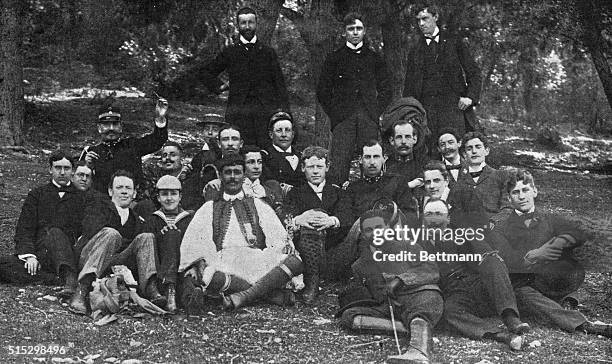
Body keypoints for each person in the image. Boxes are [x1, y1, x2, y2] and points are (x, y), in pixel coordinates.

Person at [488, 169, 612, 338]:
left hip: (552, 278)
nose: (522, 196)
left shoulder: (549, 218)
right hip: (524, 284)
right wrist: (536, 254)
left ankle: (567, 298)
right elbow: (509, 259)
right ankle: (582, 323)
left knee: (570, 267)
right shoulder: (501, 226)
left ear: (535, 191)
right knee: (523, 296)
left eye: (525, 190)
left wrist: (557, 243)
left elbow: (579, 234)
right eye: (516, 193)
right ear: (509, 198)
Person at [178, 155, 303, 311]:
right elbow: (196, 240)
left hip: (255, 258)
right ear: (220, 176)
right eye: (227, 172)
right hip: (225, 260)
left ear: (243, 175)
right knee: (209, 276)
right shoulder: (209, 207)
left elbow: (276, 235)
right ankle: (269, 293)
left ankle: (243, 296)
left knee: (294, 261)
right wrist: (202, 261)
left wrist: (279, 249)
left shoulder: (257, 204)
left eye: (237, 172)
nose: (232, 177)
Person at [421, 198, 528, 350]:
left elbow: (482, 248)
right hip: (454, 292)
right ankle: (500, 335)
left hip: (477, 283)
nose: (434, 219)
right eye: (429, 214)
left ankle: (511, 318)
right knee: (450, 311)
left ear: (448, 218)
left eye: (439, 214)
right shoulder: (418, 243)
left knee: (492, 260)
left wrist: (486, 256)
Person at [340, 209, 442, 364]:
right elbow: (357, 294)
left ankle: (418, 352)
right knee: (349, 316)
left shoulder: (408, 246)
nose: (375, 233)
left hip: (417, 296)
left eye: (379, 228)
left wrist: (400, 280)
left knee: (426, 303)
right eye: (369, 230)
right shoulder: (360, 265)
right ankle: (410, 328)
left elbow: (431, 270)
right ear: (362, 234)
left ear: (388, 228)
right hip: (389, 307)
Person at [181, 7, 289, 146]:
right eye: (243, 23)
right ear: (238, 25)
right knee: (238, 154)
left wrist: (285, 114)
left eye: (251, 22)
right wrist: (220, 86)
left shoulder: (268, 52)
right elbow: (205, 72)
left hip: (265, 114)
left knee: (265, 155)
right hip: (238, 114)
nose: (247, 26)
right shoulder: (230, 52)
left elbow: (280, 85)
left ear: (256, 24)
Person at [69, 170, 165, 315]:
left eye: (128, 189)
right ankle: (81, 290)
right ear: (110, 191)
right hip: (91, 258)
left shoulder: (136, 218)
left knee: (147, 236)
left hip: (116, 264)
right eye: (119, 188)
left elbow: (140, 248)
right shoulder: (98, 207)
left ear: (134, 194)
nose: (124, 192)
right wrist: (115, 215)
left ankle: (151, 289)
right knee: (112, 234)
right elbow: (89, 231)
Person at [317, 12, 392, 185]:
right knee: (339, 164)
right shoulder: (334, 58)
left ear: (365, 31)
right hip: (343, 120)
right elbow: (323, 91)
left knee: (371, 162)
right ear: (344, 32)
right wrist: (336, 114)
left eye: (359, 28)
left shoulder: (374, 58)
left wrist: (375, 111)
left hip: (368, 118)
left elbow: (386, 89)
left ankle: (372, 201)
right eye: (351, 29)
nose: (355, 32)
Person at [0, 151, 85, 299]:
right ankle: (52, 278)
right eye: (58, 168)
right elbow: (24, 228)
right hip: (41, 254)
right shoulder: (37, 194)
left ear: (72, 171)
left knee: (55, 232)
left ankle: (67, 276)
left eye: (67, 168)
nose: (62, 172)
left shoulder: (82, 196)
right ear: (50, 169)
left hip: (69, 254)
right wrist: (30, 257)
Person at [403, 4, 482, 153]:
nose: (421, 24)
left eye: (425, 18)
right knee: (430, 154)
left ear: (436, 17)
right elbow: (409, 85)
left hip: (453, 108)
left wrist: (470, 98)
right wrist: (410, 112)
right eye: (418, 20)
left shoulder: (454, 42)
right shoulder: (415, 49)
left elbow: (474, 73)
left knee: (454, 151)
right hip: (426, 111)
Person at [284, 146, 353, 303]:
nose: (315, 171)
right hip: (304, 254)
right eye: (310, 167)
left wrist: (332, 221)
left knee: (319, 219)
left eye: (319, 167)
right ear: (303, 168)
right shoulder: (295, 193)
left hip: (332, 252)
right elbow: (285, 216)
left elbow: (347, 216)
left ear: (327, 167)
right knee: (311, 223)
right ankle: (312, 282)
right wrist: (298, 219)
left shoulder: (338, 192)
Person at [79, 99, 169, 194]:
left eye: (115, 124)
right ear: (99, 128)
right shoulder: (91, 152)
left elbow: (157, 140)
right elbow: (80, 182)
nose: (111, 128)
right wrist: (87, 166)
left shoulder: (133, 146)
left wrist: (160, 118)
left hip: (131, 202)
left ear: (121, 126)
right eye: (106, 124)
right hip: (103, 204)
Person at [143, 175, 193, 313]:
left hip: (182, 268)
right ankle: (169, 291)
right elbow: (146, 248)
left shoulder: (189, 219)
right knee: (170, 234)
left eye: (173, 194)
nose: (169, 198)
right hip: (160, 272)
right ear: (158, 197)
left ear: (180, 196)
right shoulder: (153, 220)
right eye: (164, 194)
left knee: (189, 285)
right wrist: (163, 236)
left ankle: (187, 298)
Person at [450, 132, 511, 228]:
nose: (474, 151)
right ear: (465, 154)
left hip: (492, 230)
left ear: (486, 151)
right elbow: (454, 209)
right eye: (469, 149)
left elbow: (508, 208)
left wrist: (493, 221)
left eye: (478, 147)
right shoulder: (458, 178)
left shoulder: (500, 176)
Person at [347, 140, 418, 220]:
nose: (372, 162)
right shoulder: (353, 188)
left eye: (376, 156)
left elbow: (410, 216)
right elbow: (348, 220)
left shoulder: (398, 182)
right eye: (367, 157)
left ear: (384, 159)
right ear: (360, 160)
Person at [204, 145, 284, 213]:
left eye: (259, 162)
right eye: (251, 162)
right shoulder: (227, 188)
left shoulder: (270, 188)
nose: (256, 167)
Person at [182, 124, 243, 210]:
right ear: (218, 143)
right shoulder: (206, 162)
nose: (230, 144)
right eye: (225, 139)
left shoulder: (250, 162)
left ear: (241, 144)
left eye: (234, 139)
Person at [261, 111, 304, 193]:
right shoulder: (264, 157)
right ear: (271, 134)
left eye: (287, 130)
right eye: (279, 131)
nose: (284, 135)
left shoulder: (302, 157)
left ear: (293, 134)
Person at [141, 141, 191, 211]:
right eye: (164, 155)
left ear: (181, 158)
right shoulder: (155, 177)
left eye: (173, 155)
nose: (167, 158)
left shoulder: (190, 178)